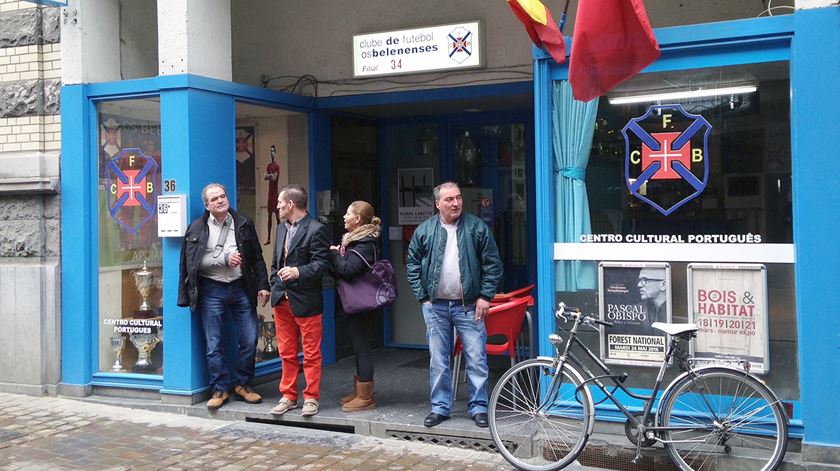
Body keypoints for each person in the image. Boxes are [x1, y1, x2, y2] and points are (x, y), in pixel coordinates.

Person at [406, 181, 503, 428]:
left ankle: (479, 407)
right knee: (438, 360)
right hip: (435, 307)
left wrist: (484, 296)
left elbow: (493, 264)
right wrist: (423, 297)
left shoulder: (476, 227)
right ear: (437, 203)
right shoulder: (425, 230)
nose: (456, 203)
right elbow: (412, 264)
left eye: (458, 198)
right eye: (449, 199)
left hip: (469, 305)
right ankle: (440, 408)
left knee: (476, 358)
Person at [177, 183, 270, 411]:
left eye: (223, 196)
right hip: (212, 290)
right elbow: (191, 265)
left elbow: (257, 257)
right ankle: (219, 388)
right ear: (207, 205)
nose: (220, 200)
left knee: (250, 338)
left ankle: (243, 384)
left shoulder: (244, 223)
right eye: (215, 198)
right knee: (213, 343)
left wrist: (263, 285)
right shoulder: (197, 228)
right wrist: (224, 259)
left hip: (241, 287)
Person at [268, 184, 330, 417]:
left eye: (280, 203)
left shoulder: (317, 230)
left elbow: (322, 265)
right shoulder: (281, 229)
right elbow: (276, 263)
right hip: (281, 299)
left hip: (306, 300)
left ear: (291, 204)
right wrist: (274, 283)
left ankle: (311, 398)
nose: (277, 206)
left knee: (312, 353)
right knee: (286, 352)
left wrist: (298, 272)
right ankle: (288, 396)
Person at [329, 201, 382, 412]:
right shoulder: (356, 241)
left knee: (362, 348)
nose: (344, 216)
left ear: (358, 220)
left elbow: (348, 270)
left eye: (348, 213)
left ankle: (366, 397)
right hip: (355, 303)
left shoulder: (365, 243)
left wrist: (333, 253)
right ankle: (360, 391)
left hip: (361, 305)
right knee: (358, 346)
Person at [263, 145, 281, 245]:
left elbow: (274, 178)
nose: (272, 153)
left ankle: (280, 235)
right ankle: (269, 238)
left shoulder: (276, 166)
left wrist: (269, 175)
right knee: (269, 215)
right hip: (270, 193)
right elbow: (266, 177)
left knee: (277, 216)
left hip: (275, 194)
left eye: (273, 151)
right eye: (271, 151)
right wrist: (271, 175)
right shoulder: (269, 166)